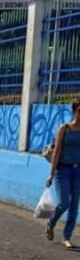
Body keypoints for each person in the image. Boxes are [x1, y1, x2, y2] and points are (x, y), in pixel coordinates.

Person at [45, 99, 80, 249]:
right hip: (63, 170)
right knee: (63, 203)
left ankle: (67, 237)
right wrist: (51, 174)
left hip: (78, 170)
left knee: (74, 206)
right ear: (74, 112)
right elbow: (57, 151)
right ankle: (50, 223)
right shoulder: (64, 128)